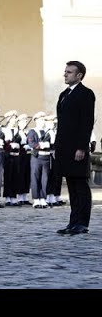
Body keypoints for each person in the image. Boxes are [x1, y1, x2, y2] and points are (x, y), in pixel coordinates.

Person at [54, 61, 96, 235]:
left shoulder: (86, 94)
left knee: (81, 186)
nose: (65, 74)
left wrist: (81, 148)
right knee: (71, 186)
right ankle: (73, 222)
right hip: (64, 148)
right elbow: (62, 124)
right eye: (65, 71)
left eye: (69, 72)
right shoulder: (64, 94)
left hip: (77, 149)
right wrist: (57, 147)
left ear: (79, 75)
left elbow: (86, 123)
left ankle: (82, 223)